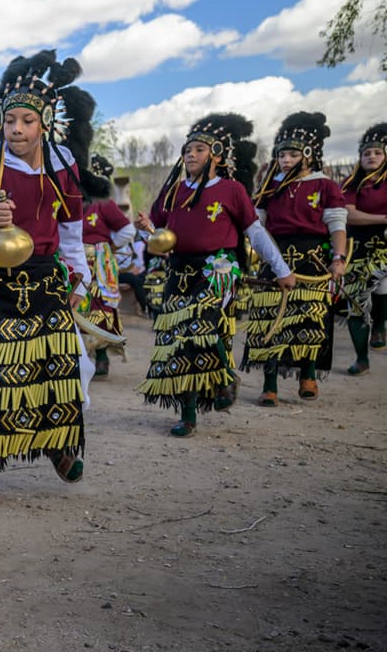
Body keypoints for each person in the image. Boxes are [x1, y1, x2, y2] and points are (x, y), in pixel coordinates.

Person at [0, 51, 93, 509]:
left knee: (53, 370)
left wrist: (80, 281)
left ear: (44, 123)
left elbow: (72, 232)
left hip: (48, 282)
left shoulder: (63, 169)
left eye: (26, 120)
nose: (16, 128)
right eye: (10, 119)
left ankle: (57, 444)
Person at [136, 114, 292, 436]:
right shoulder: (173, 191)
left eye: (198, 149)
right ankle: (188, 414)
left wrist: (282, 269)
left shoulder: (232, 190)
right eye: (186, 149)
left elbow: (256, 234)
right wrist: (145, 231)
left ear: (217, 154)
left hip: (217, 268)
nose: (190, 154)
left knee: (200, 326)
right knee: (180, 344)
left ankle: (224, 376)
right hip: (179, 272)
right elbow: (155, 234)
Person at [244, 112, 346, 402]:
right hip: (274, 256)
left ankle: (308, 376)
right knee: (269, 320)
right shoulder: (269, 186)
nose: (285, 160)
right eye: (281, 155)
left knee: (310, 320)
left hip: (311, 260)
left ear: (309, 155)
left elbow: (337, 225)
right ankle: (269, 386)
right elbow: (256, 225)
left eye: (292, 154)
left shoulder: (325, 185)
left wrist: (338, 258)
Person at [77, 155, 136, 377]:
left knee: (101, 306)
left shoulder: (104, 205)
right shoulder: (72, 204)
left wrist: (107, 246)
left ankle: (102, 357)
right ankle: (81, 355)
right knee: (77, 306)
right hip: (76, 264)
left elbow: (128, 230)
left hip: (99, 266)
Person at [341, 124, 387, 374]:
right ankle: (361, 358)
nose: (371, 156)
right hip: (357, 248)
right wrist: (382, 219)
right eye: (366, 153)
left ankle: (380, 325)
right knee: (354, 303)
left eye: (377, 153)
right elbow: (349, 215)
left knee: (382, 282)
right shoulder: (352, 183)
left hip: (385, 249)